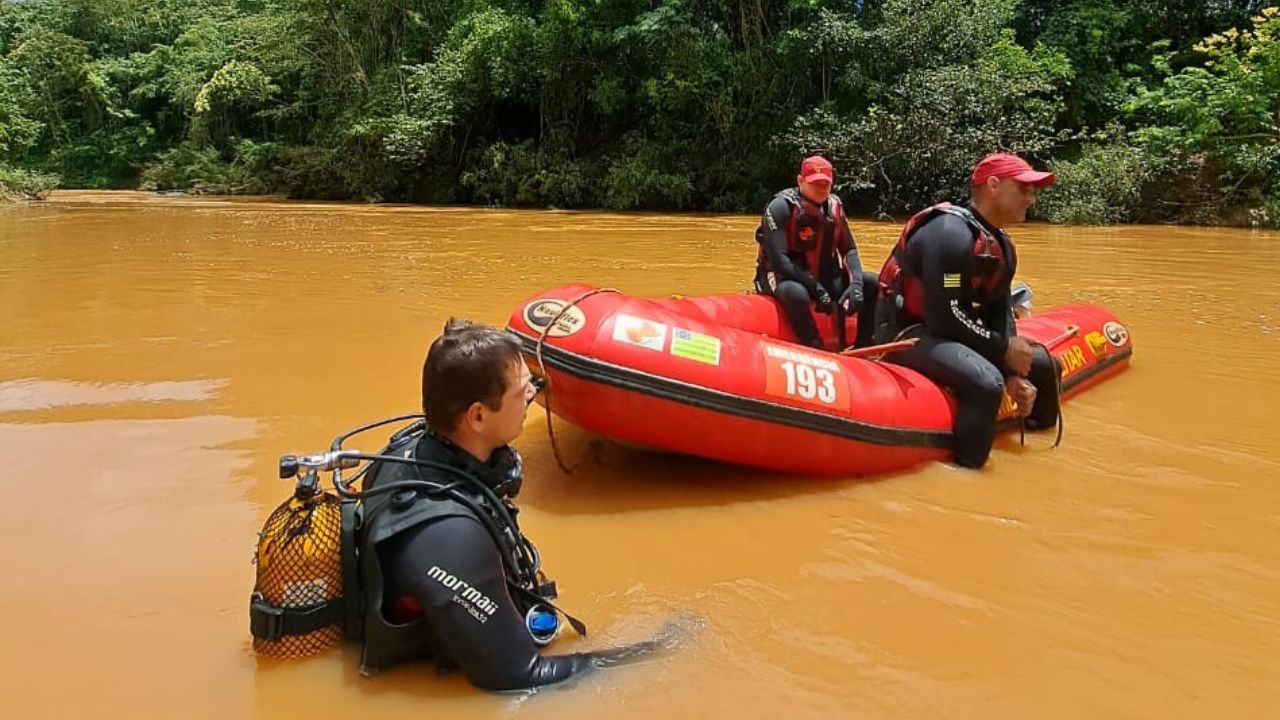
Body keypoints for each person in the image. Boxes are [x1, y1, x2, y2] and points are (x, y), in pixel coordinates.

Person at [356, 319, 679, 690]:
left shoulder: (409, 452)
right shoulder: (448, 537)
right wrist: (652, 652)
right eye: (521, 388)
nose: (533, 393)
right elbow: (518, 676)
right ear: (477, 416)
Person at [872, 153, 1061, 469]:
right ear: (993, 186)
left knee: (1044, 365)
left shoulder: (1002, 246)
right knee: (986, 384)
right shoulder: (948, 235)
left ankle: (1035, 453)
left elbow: (999, 309)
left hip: (951, 326)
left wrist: (1015, 372)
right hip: (908, 331)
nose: (1031, 199)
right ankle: (966, 471)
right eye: (1024, 189)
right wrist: (1002, 354)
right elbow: (942, 317)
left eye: (1033, 191)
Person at [754, 155, 879, 349]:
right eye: (815, 184)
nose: (821, 189)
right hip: (785, 276)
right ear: (800, 181)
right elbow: (780, 261)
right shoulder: (780, 207)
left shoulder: (834, 207)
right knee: (796, 294)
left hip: (822, 275)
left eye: (825, 184)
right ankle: (814, 345)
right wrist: (816, 289)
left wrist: (855, 285)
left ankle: (863, 344)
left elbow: (850, 250)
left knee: (871, 282)